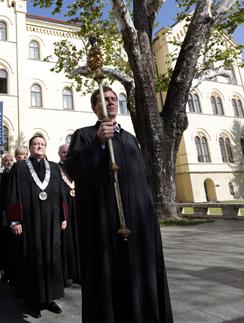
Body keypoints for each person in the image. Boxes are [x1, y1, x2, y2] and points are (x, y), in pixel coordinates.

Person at [65, 86, 173, 323]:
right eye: (104, 99)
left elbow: (142, 181)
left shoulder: (130, 139)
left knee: (141, 281)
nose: (111, 102)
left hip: (137, 228)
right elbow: (75, 171)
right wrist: (98, 143)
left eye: (114, 99)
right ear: (95, 107)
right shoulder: (84, 136)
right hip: (104, 228)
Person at [7, 135, 67, 318]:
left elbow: (61, 192)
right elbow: (13, 194)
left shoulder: (55, 168)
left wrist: (63, 216)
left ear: (45, 147)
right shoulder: (20, 167)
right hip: (29, 223)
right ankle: (32, 300)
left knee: (51, 258)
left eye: (42, 144)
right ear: (30, 147)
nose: (39, 146)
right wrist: (15, 221)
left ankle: (49, 298)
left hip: (51, 222)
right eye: (35, 144)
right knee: (31, 259)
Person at [58, 143, 80, 286]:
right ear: (59, 153)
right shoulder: (56, 169)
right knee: (66, 243)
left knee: (79, 241)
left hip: (78, 209)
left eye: (68, 152)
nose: (66, 154)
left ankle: (79, 273)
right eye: (64, 152)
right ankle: (66, 275)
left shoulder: (77, 168)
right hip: (65, 210)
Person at [0, 153, 15, 284]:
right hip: (2, 217)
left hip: (16, 216)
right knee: (3, 246)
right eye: (6, 161)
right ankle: (4, 272)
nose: (8, 162)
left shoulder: (17, 177)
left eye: (10, 160)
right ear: (2, 163)